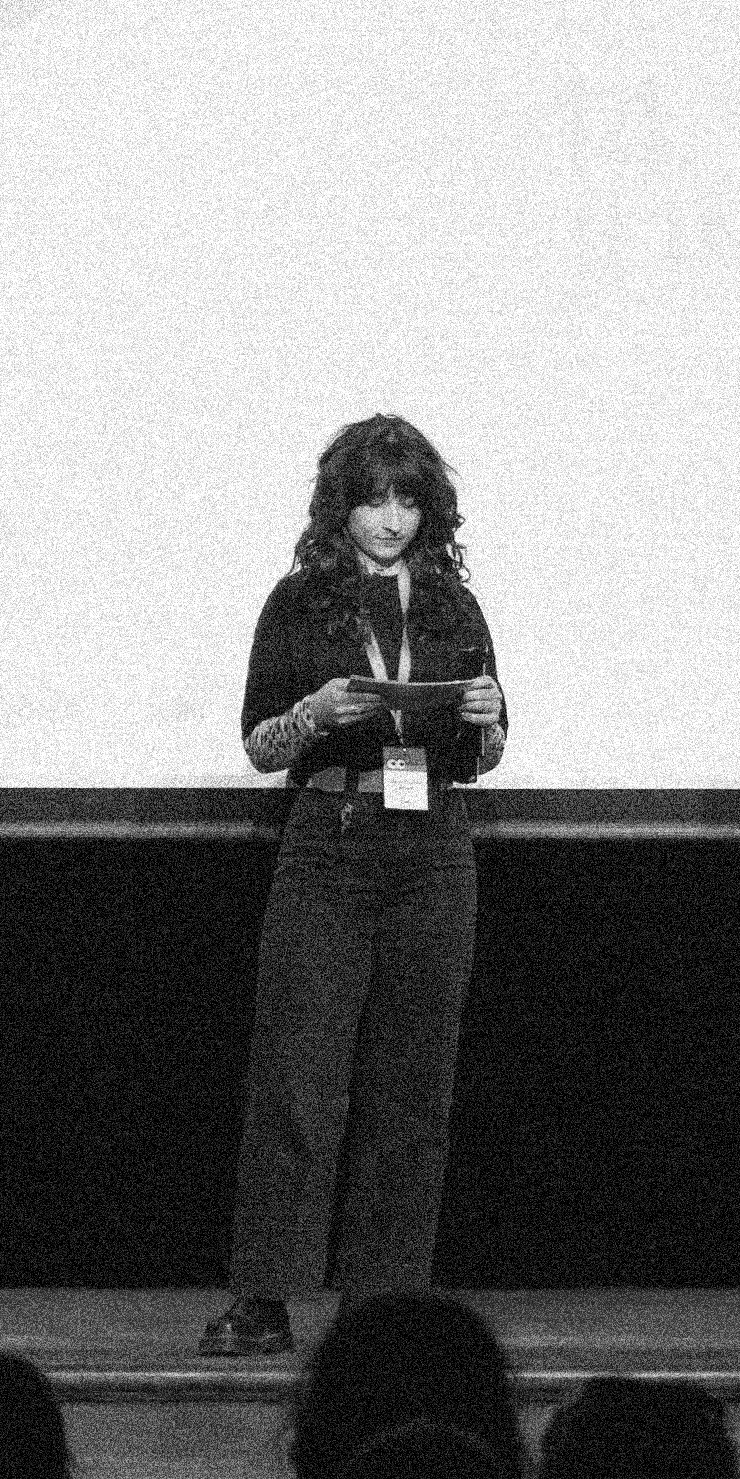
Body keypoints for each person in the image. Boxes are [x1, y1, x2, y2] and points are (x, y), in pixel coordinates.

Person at [202, 416, 510, 1358]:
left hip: (434, 845)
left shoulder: (452, 603)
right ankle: (265, 1295)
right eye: (374, 499)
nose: (391, 519)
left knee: (415, 1080)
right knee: (300, 1071)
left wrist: (493, 717)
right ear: (342, 504)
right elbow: (258, 745)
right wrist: (313, 712)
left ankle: (384, 1302)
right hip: (329, 837)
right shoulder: (299, 602)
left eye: (408, 500)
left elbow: (488, 753)